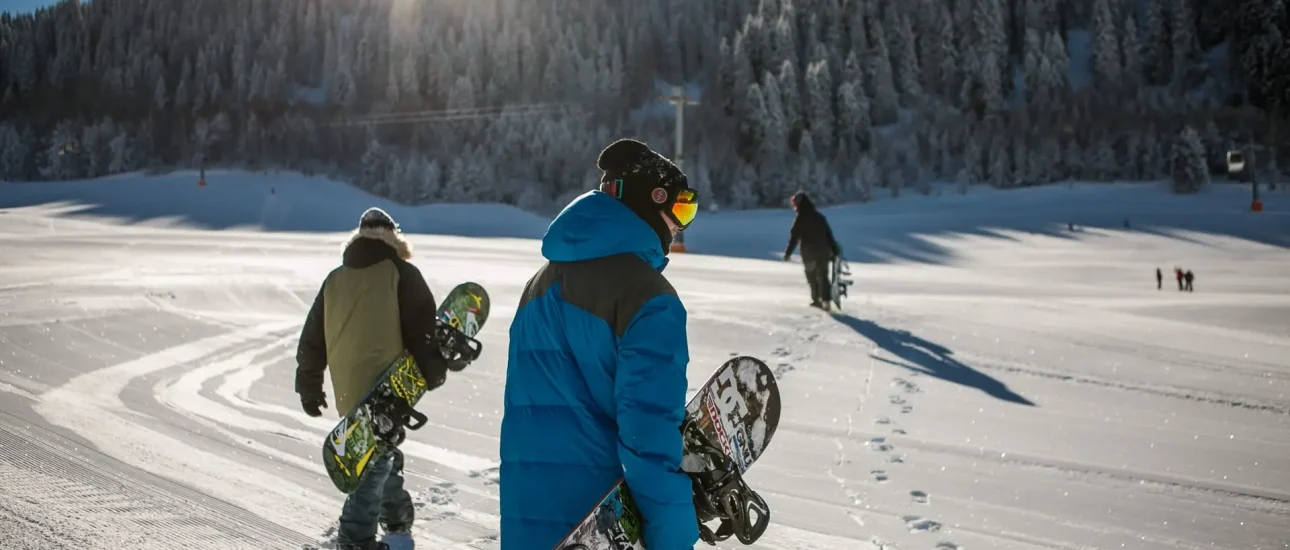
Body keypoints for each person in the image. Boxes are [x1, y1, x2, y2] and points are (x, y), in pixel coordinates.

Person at [499, 138, 701, 549]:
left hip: (527, 515)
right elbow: (648, 434)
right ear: (650, 203)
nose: (680, 225)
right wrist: (673, 537)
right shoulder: (648, 296)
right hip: (601, 526)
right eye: (681, 209)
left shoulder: (538, 284)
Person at [295, 207, 454, 550]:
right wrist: (433, 371)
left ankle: (396, 519)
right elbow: (421, 332)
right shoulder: (401, 272)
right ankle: (354, 539)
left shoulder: (335, 278)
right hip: (388, 385)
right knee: (373, 462)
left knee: (381, 451)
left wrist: (309, 384)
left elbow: (312, 337)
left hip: (347, 385)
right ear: (393, 236)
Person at [783, 191, 842, 311]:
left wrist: (788, 253)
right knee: (823, 276)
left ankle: (816, 300)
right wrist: (835, 250)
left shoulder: (800, 219)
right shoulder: (820, 217)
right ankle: (826, 301)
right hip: (824, 252)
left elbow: (794, 238)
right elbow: (829, 235)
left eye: (794, 203)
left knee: (812, 277)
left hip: (809, 253)